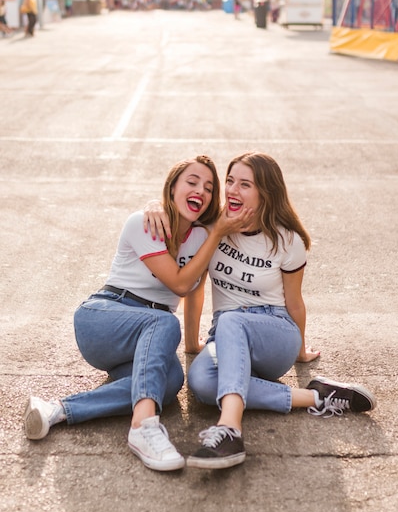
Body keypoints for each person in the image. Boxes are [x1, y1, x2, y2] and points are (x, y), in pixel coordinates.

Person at [143, 151, 376, 470]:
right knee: (202, 382)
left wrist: (300, 350)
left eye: (245, 184)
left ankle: (230, 430)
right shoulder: (213, 227)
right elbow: (194, 286)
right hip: (224, 335)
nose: (232, 191)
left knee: (232, 320)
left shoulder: (287, 239)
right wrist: (153, 206)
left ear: (266, 192)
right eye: (229, 182)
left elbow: (294, 300)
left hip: (274, 334)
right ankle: (318, 397)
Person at [23, 155, 253, 472]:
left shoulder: (201, 235)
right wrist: (162, 209)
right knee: (162, 320)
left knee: (171, 380)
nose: (201, 189)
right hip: (104, 319)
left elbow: (196, 289)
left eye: (210, 187)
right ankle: (142, 427)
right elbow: (180, 284)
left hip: (146, 337)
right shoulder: (144, 223)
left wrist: (191, 345)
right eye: (192, 182)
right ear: (172, 188)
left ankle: (56, 409)